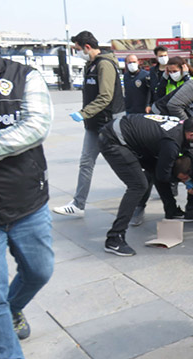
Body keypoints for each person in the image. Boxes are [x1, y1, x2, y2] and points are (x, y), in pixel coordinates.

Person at [0, 16, 54, 359]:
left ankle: (13, 310)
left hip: (27, 201)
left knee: (39, 271)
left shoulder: (26, 77)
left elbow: (35, 127)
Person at [97, 115, 193, 256]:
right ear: (191, 134)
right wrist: (185, 180)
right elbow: (164, 176)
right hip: (113, 141)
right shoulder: (172, 143)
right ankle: (114, 238)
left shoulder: (180, 126)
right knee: (138, 186)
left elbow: (161, 170)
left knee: (157, 168)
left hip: (125, 133)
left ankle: (172, 211)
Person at [53, 30, 124, 218]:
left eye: (77, 49)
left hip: (107, 124)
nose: (76, 52)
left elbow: (106, 96)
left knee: (123, 162)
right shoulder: (90, 65)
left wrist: (83, 113)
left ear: (87, 47)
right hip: (94, 124)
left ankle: (140, 194)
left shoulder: (105, 65)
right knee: (86, 162)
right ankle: (78, 204)